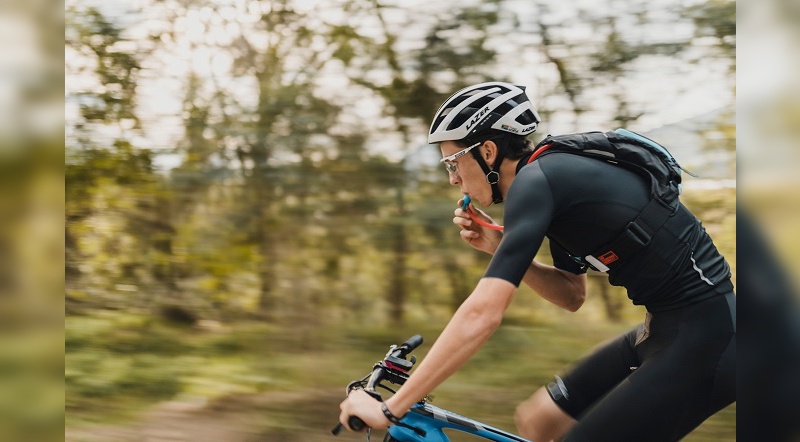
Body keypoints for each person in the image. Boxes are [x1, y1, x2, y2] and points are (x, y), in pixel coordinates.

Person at [339, 81, 735, 441]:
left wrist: (392, 408)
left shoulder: (540, 180)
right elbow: (571, 294)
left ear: (488, 151)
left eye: (453, 162)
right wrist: (499, 246)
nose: (453, 179)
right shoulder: (549, 185)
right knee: (539, 419)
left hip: (712, 339)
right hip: (666, 329)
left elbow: (482, 314)